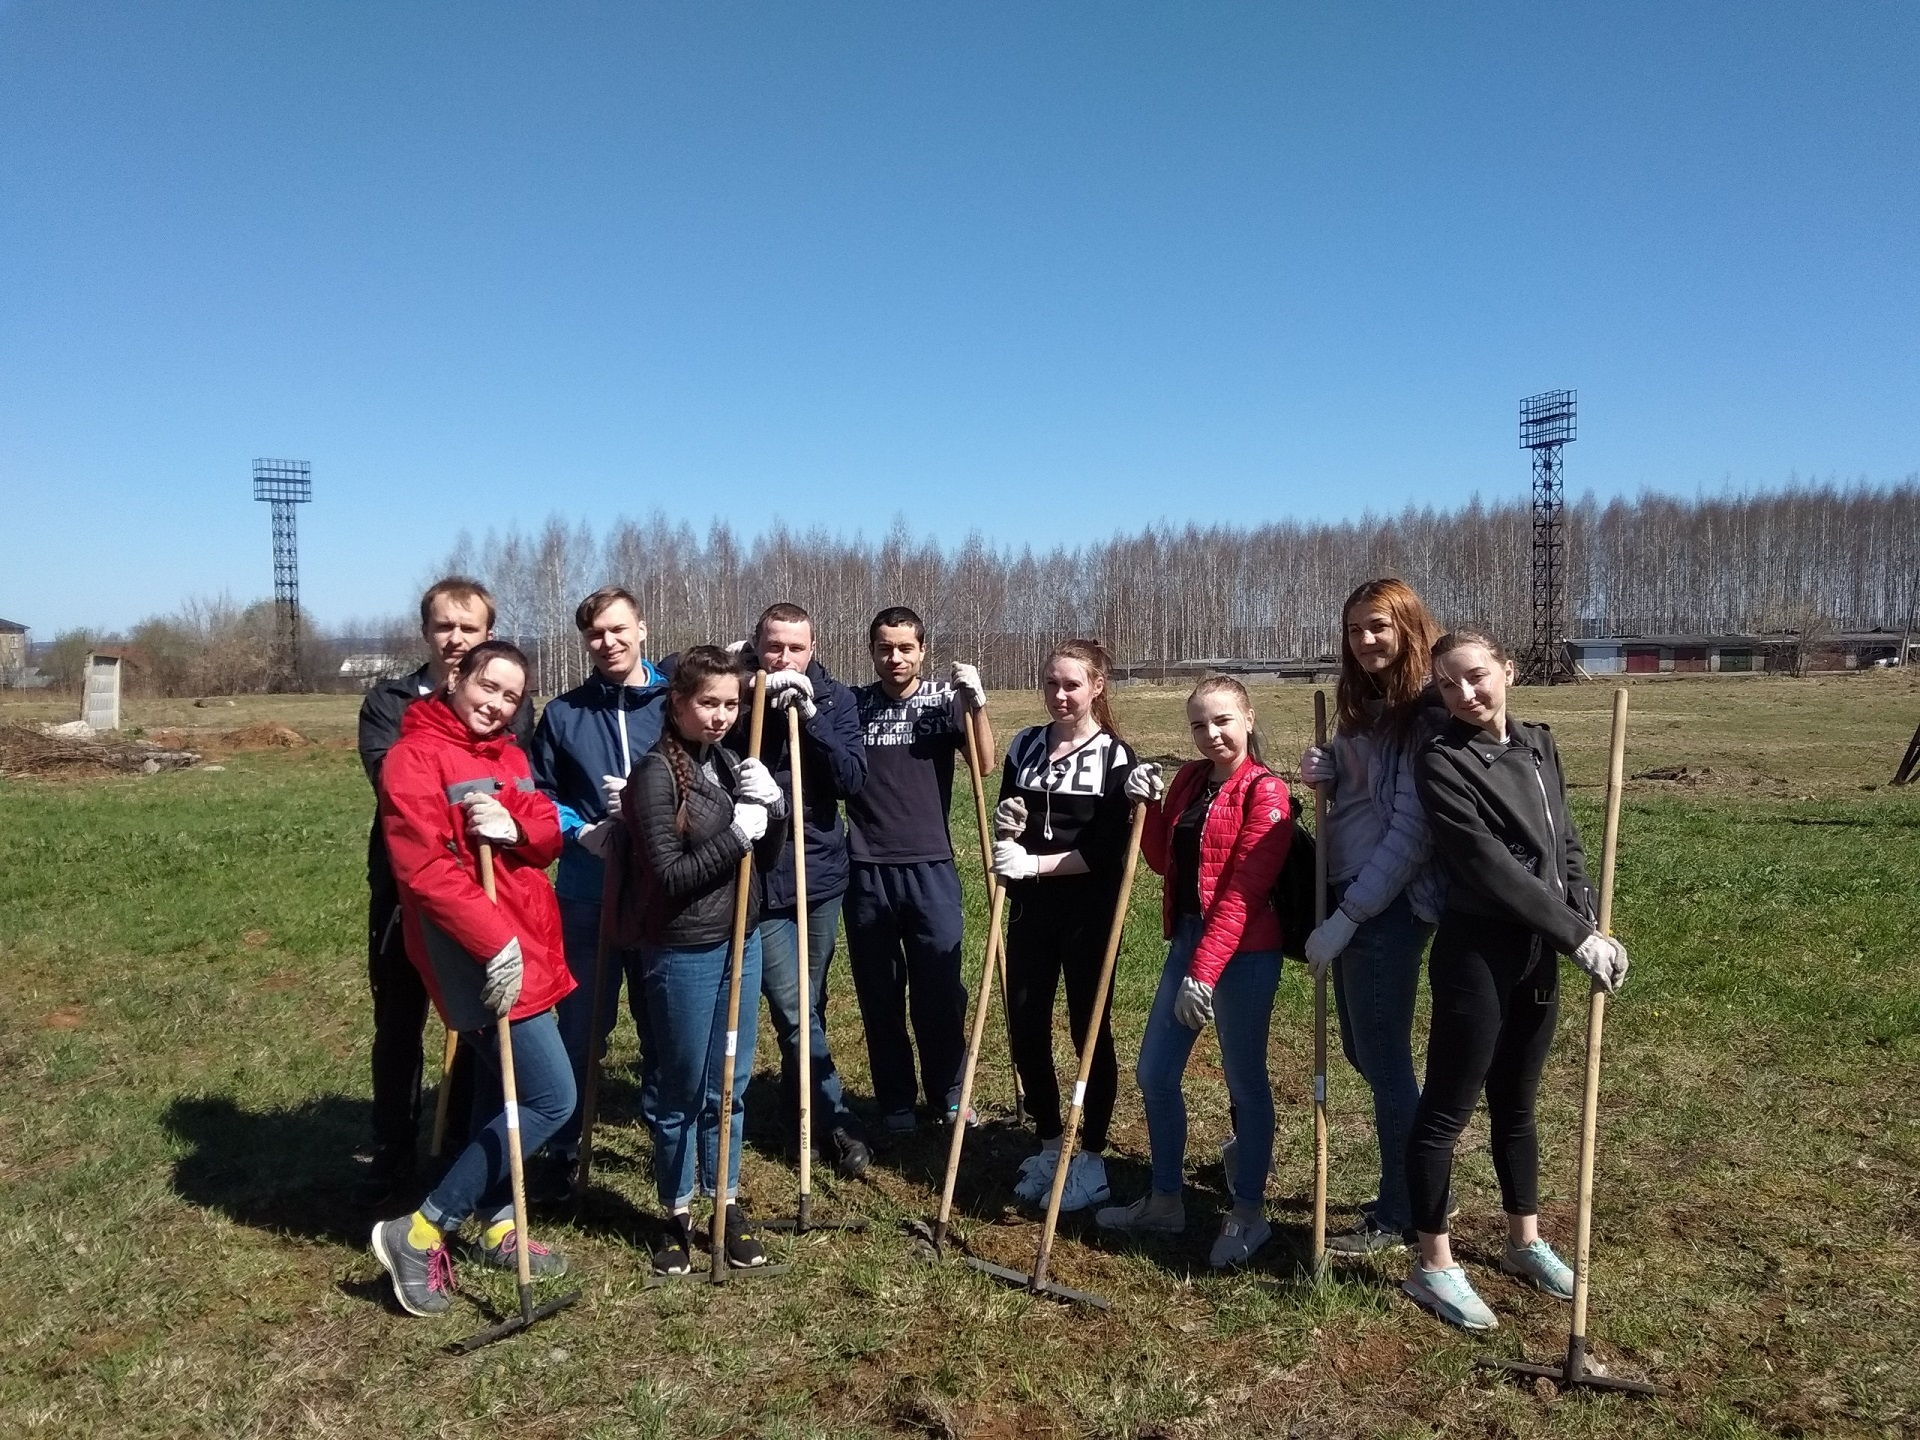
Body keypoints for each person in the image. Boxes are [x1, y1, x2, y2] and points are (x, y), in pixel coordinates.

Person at [1403, 629, 1631, 1331]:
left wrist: (1586, 915)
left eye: (1476, 677)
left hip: (1541, 949)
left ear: (1507, 669)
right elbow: (1487, 866)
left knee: (1519, 1103)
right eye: (1448, 685)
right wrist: (1575, 935)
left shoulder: (1538, 741)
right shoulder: (1442, 760)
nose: (1465, 695)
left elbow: (1562, 841)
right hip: (1478, 951)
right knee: (1447, 1108)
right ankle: (1433, 1264)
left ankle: (1522, 1241)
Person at [369, 641, 575, 1317]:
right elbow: (423, 870)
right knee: (551, 1098)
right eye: (488, 687)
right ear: (457, 678)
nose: (497, 704)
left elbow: (546, 833)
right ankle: (422, 1226)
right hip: (475, 952)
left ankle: (497, 1221)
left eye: (512, 697)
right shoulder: (414, 757)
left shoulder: (511, 757)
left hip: (529, 942)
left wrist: (514, 824)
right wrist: (493, 944)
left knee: (503, 1089)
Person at [1096, 677, 1294, 1266]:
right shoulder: (1187, 778)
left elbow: (1242, 894)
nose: (1211, 735)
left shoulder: (1268, 794)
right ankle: (1165, 1200)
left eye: (1223, 721)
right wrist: (1148, 806)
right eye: (1199, 725)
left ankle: (1249, 1212)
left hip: (1245, 953)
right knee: (1155, 1071)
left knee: (1244, 1078)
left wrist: (1204, 975)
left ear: (1249, 719)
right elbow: (1162, 860)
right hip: (1188, 940)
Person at [355, 577, 533, 1208]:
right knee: (399, 1018)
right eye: (444, 627)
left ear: (488, 634)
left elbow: (516, 780)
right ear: (426, 630)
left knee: (477, 1016)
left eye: (470, 628)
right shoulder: (390, 702)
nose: (456, 639)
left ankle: (460, 1135)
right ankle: (393, 1144)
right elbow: (395, 784)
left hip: (483, 887)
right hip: (407, 885)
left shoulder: (507, 702)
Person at [1295, 578, 1448, 1254]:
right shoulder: (1366, 708)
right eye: (1356, 630)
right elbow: (1357, 807)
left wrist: (1350, 916)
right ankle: (1413, 1184)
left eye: (1379, 627)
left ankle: (1403, 1212)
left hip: (1385, 905)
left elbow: (1412, 834)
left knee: (1384, 1060)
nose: (1366, 642)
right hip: (1347, 891)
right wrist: (1326, 777)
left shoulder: (1427, 714)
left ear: (1410, 627)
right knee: (1366, 1051)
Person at [625, 646, 788, 1274]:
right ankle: (674, 1212)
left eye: (731, 703)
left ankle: (726, 1201)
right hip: (683, 949)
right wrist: (737, 834)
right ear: (678, 702)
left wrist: (770, 814)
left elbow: (763, 863)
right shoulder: (656, 776)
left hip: (738, 942)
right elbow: (668, 877)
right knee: (682, 1090)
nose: (722, 716)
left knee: (731, 1087)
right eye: (708, 703)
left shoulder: (724, 761)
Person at [526, 585, 670, 1202]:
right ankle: (563, 1140)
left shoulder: (673, 700)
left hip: (665, 889)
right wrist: (580, 831)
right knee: (584, 1018)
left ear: (641, 629)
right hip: (589, 889)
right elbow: (538, 792)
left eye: (618, 629)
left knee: (663, 1016)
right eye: (595, 634)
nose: (607, 642)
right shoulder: (565, 714)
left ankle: (670, 1135)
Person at [990, 639, 1139, 1213]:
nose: (1059, 695)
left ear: (1096, 687)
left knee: (1087, 1030)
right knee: (1024, 1021)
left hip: (1088, 911)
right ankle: (1052, 1143)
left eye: (1071, 685)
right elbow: (1011, 812)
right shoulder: (1026, 742)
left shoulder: (1114, 756)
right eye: (1051, 683)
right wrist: (1009, 828)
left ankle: (1093, 1160)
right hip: (1032, 909)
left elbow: (1106, 850)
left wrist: (1038, 863)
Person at [730, 602, 872, 1178]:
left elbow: (851, 780)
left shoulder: (836, 700)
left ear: (812, 649)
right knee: (794, 1007)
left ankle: (801, 1117)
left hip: (819, 877)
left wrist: (810, 720)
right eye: (774, 647)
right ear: (757, 646)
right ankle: (831, 1118)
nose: (785, 658)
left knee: (808, 1003)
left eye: (796, 648)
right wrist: (747, 693)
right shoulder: (736, 696)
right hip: (759, 874)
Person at [843, 606, 993, 1134]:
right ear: (872, 651)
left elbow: (985, 763)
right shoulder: (854, 704)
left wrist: (975, 706)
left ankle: (950, 1093)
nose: (895, 657)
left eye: (906, 647)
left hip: (931, 863)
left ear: (922, 650)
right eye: (885, 647)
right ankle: (896, 1100)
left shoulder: (942, 701)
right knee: (879, 991)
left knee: (939, 985)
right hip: (865, 867)